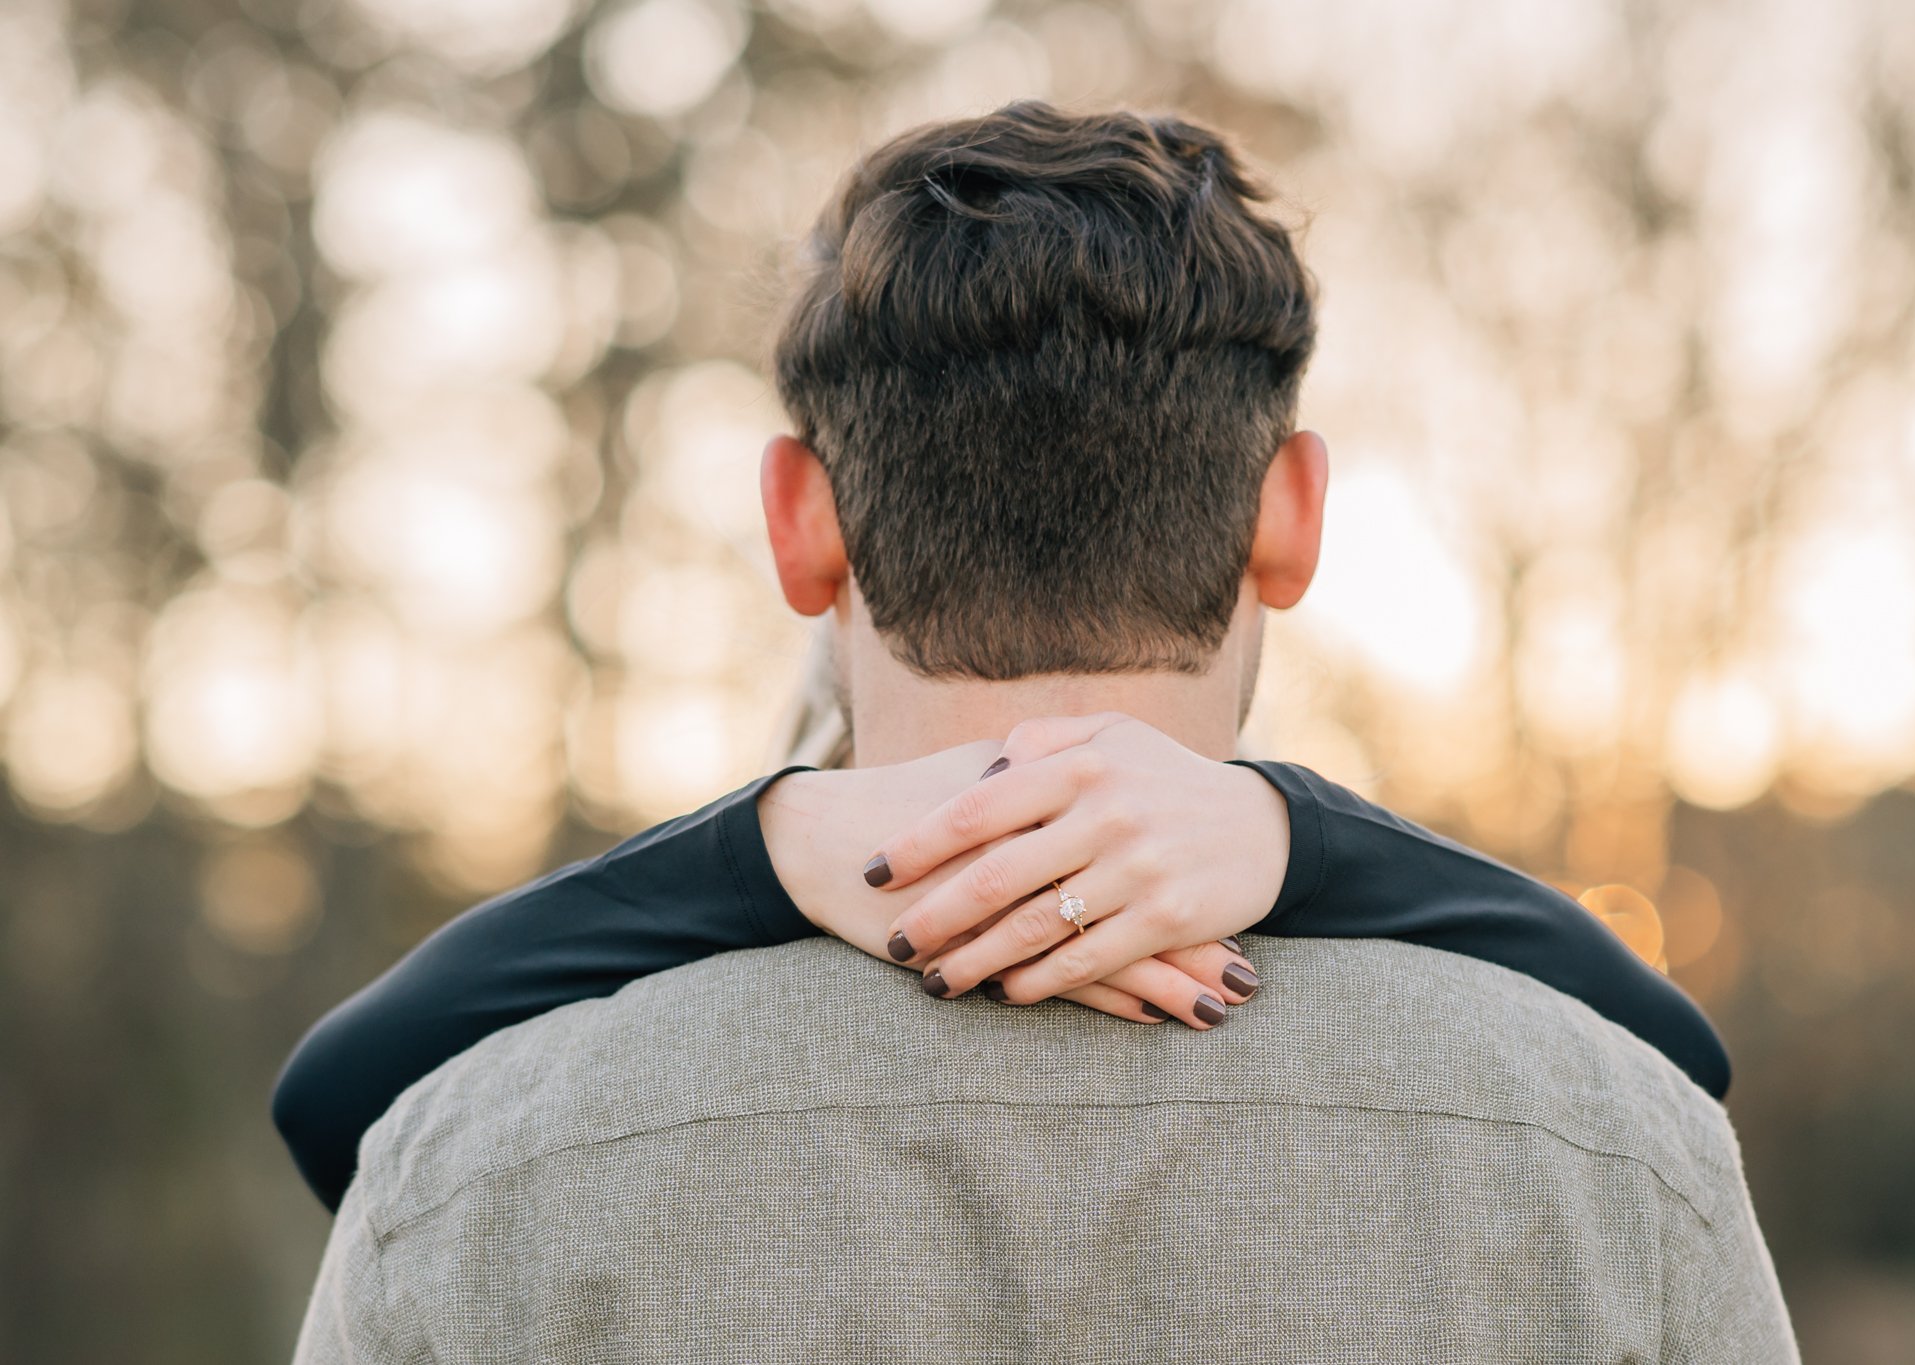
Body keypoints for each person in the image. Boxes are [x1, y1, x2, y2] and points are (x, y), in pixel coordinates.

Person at [290, 103, 1794, 1360]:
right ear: (1293, 514)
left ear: (799, 522)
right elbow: (1680, 1050)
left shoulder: (473, 1168)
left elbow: (327, 1101)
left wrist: (755, 846)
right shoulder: (1618, 1155)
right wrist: (1301, 833)